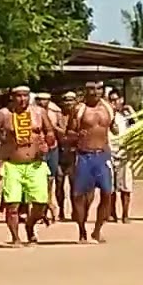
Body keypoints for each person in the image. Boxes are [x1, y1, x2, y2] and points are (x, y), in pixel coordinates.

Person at [0, 86, 52, 246]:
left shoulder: (39, 113)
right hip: (13, 164)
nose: (22, 99)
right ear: (12, 97)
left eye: (25, 96)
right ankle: (15, 237)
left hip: (35, 164)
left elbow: (50, 132)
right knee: (12, 204)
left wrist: (47, 144)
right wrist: (0, 140)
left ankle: (30, 226)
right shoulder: (3, 114)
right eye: (18, 96)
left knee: (40, 202)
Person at [64, 81, 117, 243]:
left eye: (99, 88)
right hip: (84, 155)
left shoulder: (108, 108)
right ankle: (82, 230)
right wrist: (78, 135)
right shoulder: (79, 109)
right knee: (79, 196)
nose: (95, 92)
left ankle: (97, 229)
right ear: (86, 90)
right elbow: (69, 133)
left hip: (103, 155)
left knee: (108, 193)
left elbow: (113, 128)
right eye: (91, 89)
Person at [34, 92, 63, 224]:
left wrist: (52, 127)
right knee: (39, 180)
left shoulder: (55, 111)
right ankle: (41, 210)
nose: (42, 102)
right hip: (38, 150)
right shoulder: (31, 112)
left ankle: (49, 208)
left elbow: (63, 130)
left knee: (51, 179)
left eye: (45, 100)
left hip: (52, 148)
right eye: (40, 100)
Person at [107, 89, 135, 223]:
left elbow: (137, 128)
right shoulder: (106, 115)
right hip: (109, 153)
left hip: (124, 153)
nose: (113, 103)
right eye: (110, 100)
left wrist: (132, 113)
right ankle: (112, 213)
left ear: (121, 100)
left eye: (115, 100)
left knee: (126, 186)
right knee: (110, 187)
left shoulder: (126, 117)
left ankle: (125, 214)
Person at [54, 90, 79, 221]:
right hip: (60, 154)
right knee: (59, 185)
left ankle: (76, 211)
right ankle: (61, 211)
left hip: (74, 154)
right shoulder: (58, 117)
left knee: (74, 185)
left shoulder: (79, 117)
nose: (68, 104)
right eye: (66, 101)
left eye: (71, 101)